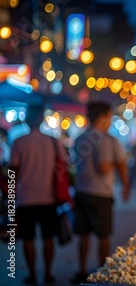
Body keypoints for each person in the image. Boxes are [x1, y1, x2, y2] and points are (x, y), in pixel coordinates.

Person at [71, 102, 130, 283]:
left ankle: (82, 270)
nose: (110, 121)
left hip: (81, 192)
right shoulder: (106, 140)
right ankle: (103, 271)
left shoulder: (80, 138)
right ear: (102, 117)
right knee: (103, 235)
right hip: (101, 194)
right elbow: (104, 167)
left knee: (84, 235)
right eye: (109, 116)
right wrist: (125, 183)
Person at [9, 105, 67, 285]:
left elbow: (13, 172)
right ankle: (48, 273)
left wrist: (10, 197)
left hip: (25, 198)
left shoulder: (19, 142)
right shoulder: (52, 141)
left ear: (26, 119)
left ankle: (33, 274)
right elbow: (64, 166)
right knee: (48, 237)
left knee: (28, 239)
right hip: (49, 197)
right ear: (42, 119)